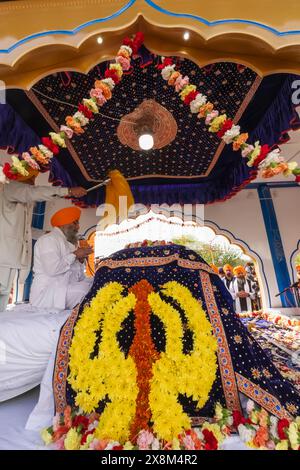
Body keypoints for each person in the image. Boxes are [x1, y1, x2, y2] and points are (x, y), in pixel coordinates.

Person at [0, 168, 87, 312]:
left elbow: (26, 231)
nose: (33, 183)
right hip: (4, 254)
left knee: (3, 294)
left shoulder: (21, 201)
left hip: (11, 257)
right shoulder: (11, 187)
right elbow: (32, 192)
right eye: (31, 179)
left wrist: (46, 233)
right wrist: (68, 191)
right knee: (2, 291)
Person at [29, 206, 93, 310]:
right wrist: (75, 255)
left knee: (93, 284)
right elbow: (52, 270)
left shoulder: (69, 243)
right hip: (47, 293)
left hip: (63, 289)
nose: (78, 227)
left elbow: (79, 277)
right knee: (84, 290)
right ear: (64, 224)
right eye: (75, 223)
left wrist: (80, 261)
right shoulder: (49, 240)